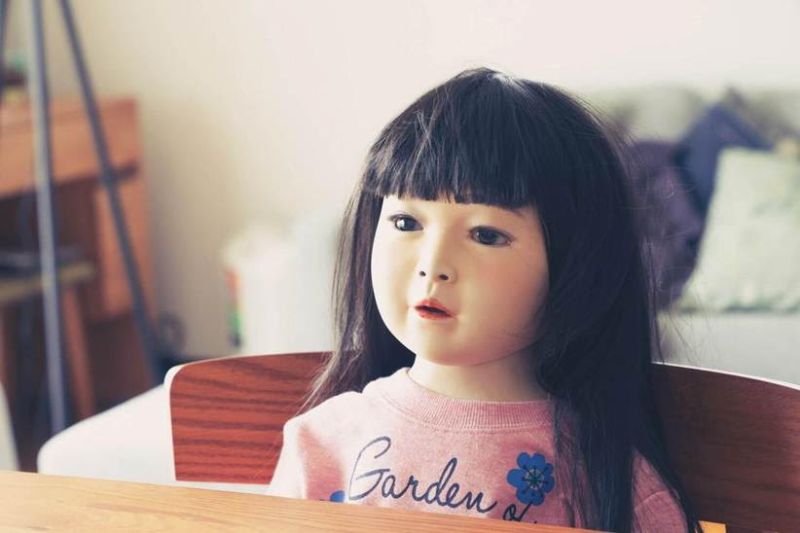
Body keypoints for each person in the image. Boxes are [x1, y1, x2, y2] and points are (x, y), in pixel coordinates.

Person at [268, 67, 701, 532]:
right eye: (406, 223)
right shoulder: (323, 442)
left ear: (576, 265)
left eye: (486, 235)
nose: (433, 264)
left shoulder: (603, 477)